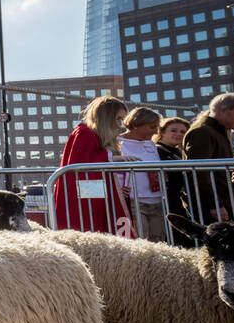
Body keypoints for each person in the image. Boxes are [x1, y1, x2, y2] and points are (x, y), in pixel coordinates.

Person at [50, 95, 134, 235]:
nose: (120, 124)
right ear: (106, 117)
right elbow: (81, 162)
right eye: (118, 119)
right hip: (85, 192)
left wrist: (117, 188)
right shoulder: (84, 132)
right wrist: (115, 159)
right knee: (91, 224)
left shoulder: (98, 135)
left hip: (92, 190)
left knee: (101, 224)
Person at [182, 92, 234, 222]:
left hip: (223, 204)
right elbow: (199, 173)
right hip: (215, 209)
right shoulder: (203, 132)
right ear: (223, 111)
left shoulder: (216, 132)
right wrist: (215, 205)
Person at [116, 107, 166, 241]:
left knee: (159, 240)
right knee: (140, 240)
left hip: (156, 199)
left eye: (157, 127)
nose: (156, 131)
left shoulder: (150, 144)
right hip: (134, 201)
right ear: (136, 125)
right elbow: (113, 169)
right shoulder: (118, 143)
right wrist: (119, 188)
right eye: (152, 127)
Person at [152, 116, 192, 233]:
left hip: (176, 201)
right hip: (163, 202)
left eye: (183, 132)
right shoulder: (156, 151)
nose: (178, 134)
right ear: (162, 132)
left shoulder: (178, 152)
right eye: (173, 130)